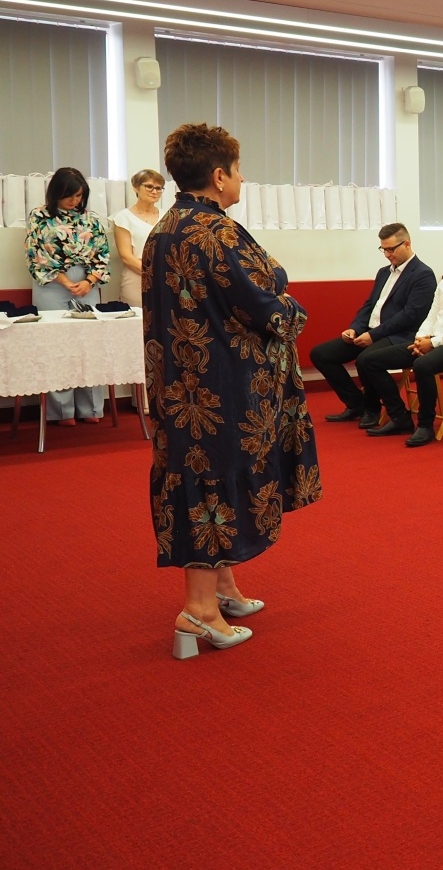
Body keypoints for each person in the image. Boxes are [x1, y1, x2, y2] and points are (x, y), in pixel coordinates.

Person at [145, 122, 321, 658]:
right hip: (221, 385)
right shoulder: (217, 232)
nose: (243, 179)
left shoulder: (163, 228)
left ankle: (222, 588)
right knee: (213, 480)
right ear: (219, 176)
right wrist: (289, 298)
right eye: (239, 170)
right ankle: (198, 611)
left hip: (180, 385)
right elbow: (267, 302)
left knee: (198, 475)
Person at [359, 234, 443, 447]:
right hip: (434, 341)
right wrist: (421, 338)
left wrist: (433, 343)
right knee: (370, 361)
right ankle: (400, 417)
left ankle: (425, 425)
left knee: (423, 365)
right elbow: (432, 316)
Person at [309, 223, 437, 428]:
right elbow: (370, 305)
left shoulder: (423, 274)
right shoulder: (384, 272)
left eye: (391, 249)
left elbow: (410, 316)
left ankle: (377, 409)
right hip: (373, 331)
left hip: (400, 335)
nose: (387, 254)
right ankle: (356, 404)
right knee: (321, 354)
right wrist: (355, 328)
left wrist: (374, 335)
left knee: (365, 359)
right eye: (383, 249)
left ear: (407, 244)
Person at [24, 166, 111, 425]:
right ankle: (62, 411)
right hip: (51, 284)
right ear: (56, 193)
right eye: (68, 196)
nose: (74, 201)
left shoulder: (91, 219)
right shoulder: (39, 216)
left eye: (78, 196)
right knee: (57, 346)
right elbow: (36, 254)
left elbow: (102, 253)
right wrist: (65, 281)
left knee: (88, 345)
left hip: (87, 283)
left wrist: (88, 281)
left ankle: (91, 408)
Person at [109, 168, 165, 303]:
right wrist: (153, 273)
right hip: (136, 280)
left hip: (165, 278)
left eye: (158, 188)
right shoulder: (123, 218)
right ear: (136, 187)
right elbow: (126, 257)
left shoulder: (168, 216)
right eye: (149, 186)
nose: (154, 191)